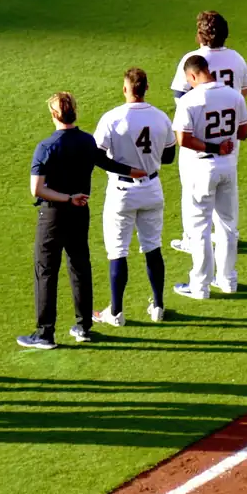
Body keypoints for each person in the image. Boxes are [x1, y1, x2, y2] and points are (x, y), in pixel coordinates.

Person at [16, 92, 146, 350]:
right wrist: (135, 172)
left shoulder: (46, 146)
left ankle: (45, 333)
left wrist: (66, 197)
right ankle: (84, 326)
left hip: (53, 215)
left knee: (46, 272)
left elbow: (37, 190)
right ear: (74, 111)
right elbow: (106, 163)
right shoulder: (87, 141)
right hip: (80, 212)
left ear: (54, 115)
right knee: (79, 267)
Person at [90, 68, 175, 326]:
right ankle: (158, 306)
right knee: (153, 247)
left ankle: (116, 313)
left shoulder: (113, 118)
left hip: (122, 191)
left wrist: (127, 167)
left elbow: (96, 156)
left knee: (118, 251)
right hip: (152, 187)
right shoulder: (161, 118)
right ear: (146, 88)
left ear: (126, 89)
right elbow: (169, 157)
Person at [170, 11, 247, 255]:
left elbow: (178, 95)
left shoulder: (193, 58)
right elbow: (244, 92)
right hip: (228, 136)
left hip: (198, 138)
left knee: (193, 190)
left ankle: (191, 238)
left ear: (200, 35)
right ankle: (226, 237)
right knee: (225, 189)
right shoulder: (236, 58)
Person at [172, 55, 247, 299]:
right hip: (228, 165)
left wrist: (212, 147)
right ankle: (228, 280)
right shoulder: (234, 95)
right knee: (227, 225)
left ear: (193, 75)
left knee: (200, 228)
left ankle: (200, 286)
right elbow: (244, 132)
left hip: (201, 168)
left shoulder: (190, 100)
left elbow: (183, 139)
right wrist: (222, 145)